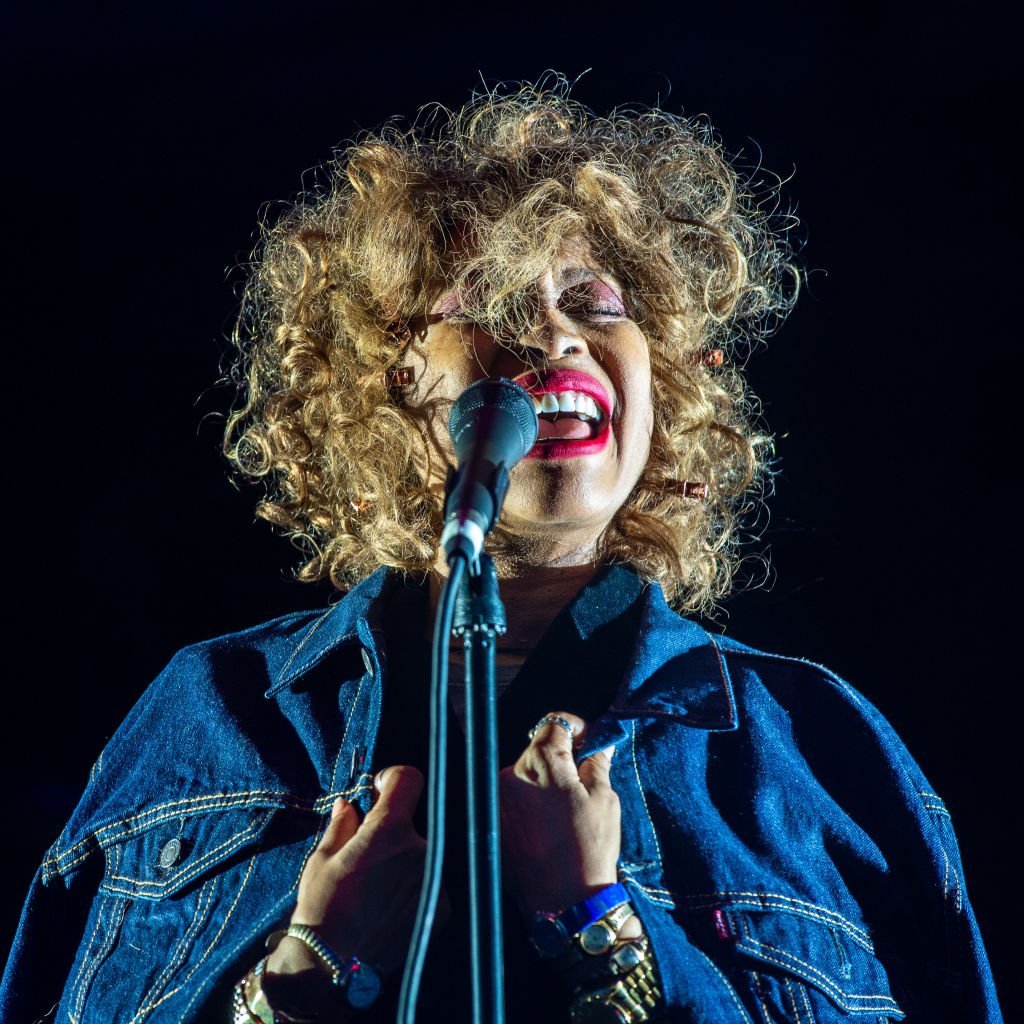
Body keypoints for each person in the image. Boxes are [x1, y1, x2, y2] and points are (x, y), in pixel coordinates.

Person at [0, 82, 1002, 1024]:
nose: (553, 338)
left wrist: (602, 933)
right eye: (486, 302)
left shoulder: (819, 747)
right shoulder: (215, 707)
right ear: (393, 383)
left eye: (593, 301)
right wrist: (312, 969)